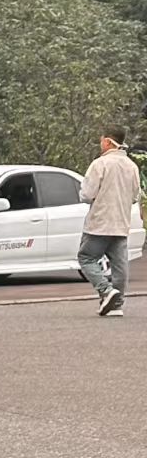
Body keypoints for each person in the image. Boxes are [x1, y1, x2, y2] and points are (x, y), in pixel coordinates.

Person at [78, 126, 143, 317]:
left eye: (101, 140)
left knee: (86, 258)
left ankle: (106, 291)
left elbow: (87, 194)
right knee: (119, 265)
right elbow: (135, 196)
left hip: (99, 222)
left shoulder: (100, 164)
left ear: (107, 141)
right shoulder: (131, 166)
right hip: (121, 222)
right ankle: (117, 305)